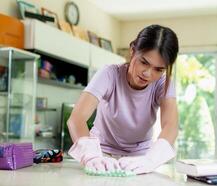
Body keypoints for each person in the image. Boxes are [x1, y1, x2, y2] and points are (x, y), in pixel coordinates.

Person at [67, 24, 179, 175]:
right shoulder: (109, 74)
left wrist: (151, 160)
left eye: (158, 69)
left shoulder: (163, 83)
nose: (147, 73)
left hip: (141, 159)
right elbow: (76, 119)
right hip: (101, 155)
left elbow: (170, 125)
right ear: (132, 51)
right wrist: (91, 157)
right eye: (144, 62)